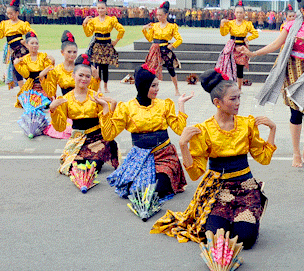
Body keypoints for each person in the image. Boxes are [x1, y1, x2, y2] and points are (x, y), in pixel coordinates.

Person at [150, 69, 277, 249]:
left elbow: (264, 159)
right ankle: (233, 219)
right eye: (233, 99)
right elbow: (195, 174)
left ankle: (253, 209)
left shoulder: (247, 124)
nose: (238, 103)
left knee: (244, 240)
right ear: (217, 102)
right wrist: (183, 145)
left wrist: (272, 130)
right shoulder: (204, 130)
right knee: (216, 239)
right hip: (218, 190)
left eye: (239, 97)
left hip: (245, 189)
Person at [245, 0, 304, 168]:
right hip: (293, 70)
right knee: (295, 113)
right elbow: (276, 44)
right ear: (303, 10)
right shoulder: (291, 25)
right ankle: (296, 152)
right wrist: (254, 54)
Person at [100, 65, 191, 200]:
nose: (157, 89)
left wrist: (181, 105)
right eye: (153, 86)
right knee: (138, 190)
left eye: (157, 85)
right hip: (140, 156)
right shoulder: (127, 108)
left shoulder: (164, 105)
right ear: (143, 85)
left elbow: (179, 130)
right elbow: (109, 135)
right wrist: (106, 108)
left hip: (164, 155)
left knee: (158, 188)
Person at [49, 54, 119, 175]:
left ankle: (101, 156)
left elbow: (107, 126)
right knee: (71, 167)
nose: (84, 79)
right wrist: (53, 110)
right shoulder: (65, 99)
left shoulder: (96, 97)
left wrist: (106, 106)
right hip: (78, 138)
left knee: (92, 167)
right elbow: (59, 127)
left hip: (97, 139)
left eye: (87, 76)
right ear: (73, 75)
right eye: (80, 75)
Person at [82, 0, 125, 93]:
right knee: (97, 67)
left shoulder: (111, 20)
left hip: (107, 45)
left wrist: (116, 41)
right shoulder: (93, 21)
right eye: (98, 8)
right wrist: (85, 24)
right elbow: (88, 34)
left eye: (102, 8)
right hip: (97, 45)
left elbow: (121, 29)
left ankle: (105, 86)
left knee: (105, 67)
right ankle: (98, 86)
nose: (100, 10)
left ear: (106, 9)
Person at [216, 1, 259, 89]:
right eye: (237, 12)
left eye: (241, 12)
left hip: (242, 48)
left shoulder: (247, 24)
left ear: (244, 13)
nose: (239, 14)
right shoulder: (230, 23)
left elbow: (255, 34)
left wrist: (248, 38)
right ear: (234, 13)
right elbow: (223, 34)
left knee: (240, 68)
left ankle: (239, 88)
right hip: (232, 47)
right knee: (230, 66)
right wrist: (222, 24)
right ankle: (230, 86)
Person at [142, 1, 183, 94]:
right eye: (157, 15)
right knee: (151, 69)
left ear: (166, 15)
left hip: (165, 50)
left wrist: (172, 45)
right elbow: (149, 39)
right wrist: (144, 30)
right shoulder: (154, 26)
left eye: (161, 15)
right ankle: (150, 89)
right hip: (154, 49)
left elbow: (179, 39)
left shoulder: (172, 27)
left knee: (171, 69)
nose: (158, 17)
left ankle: (176, 89)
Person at [13, 31, 54, 108]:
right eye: (32, 43)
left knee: (46, 100)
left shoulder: (43, 56)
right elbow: (26, 74)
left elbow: (49, 69)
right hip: (31, 84)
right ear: (27, 45)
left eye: (36, 43)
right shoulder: (24, 59)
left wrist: (52, 61)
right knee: (27, 101)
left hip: (43, 84)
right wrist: (17, 65)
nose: (34, 45)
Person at [0, 0, 32, 89]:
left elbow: (31, 34)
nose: (9, 15)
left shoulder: (22, 24)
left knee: (22, 67)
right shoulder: (4, 24)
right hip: (12, 49)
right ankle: (23, 89)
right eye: (7, 13)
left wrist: (26, 42)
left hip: (21, 48)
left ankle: (31, 84)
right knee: (16, 68)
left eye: (11, 13)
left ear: (17, 13)